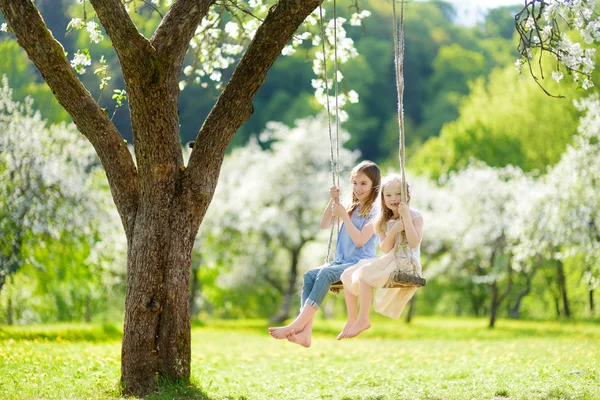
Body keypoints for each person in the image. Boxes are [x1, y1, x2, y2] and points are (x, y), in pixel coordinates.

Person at [268, 160, 381, 347]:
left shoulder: (376, 212)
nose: (358, 188)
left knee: (326, 274)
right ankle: (305, 333)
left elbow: (360, 240)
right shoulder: (351, 206)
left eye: (364, 183)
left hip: (361, 262)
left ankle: (298, 323)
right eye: (355, 182)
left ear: (374, 185)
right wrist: (333, 201)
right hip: (341, 261)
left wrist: (344, 216)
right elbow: (325, 224)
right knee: (310, 275)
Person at [337, 174, 423, 339]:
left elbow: (413, 242)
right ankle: (352, 319)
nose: (394, 198)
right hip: (389, 259)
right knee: (347, 274)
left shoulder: (415, 216)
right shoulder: (383, 220)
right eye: (388, 195)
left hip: (406, 263)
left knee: (364, 274)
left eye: (398, 194)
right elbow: (385, 248)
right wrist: (393, 231)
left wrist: (406, 218)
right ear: (383, 199)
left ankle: (363, 319)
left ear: (407, 195)